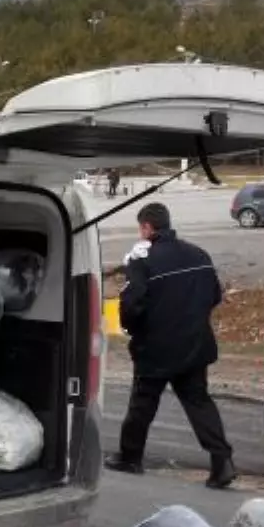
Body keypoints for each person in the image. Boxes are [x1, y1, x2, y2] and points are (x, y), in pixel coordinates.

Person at [106, 202, 236, 489]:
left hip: (156, 347)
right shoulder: (199, 254)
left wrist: (132, 329)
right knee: (199, 403)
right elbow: (214, 295)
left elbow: (132, 304)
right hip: (194, 345)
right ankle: (222, 461)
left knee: (142, 404)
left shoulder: (142, 260)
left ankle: (130, 457)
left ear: (146, 228)